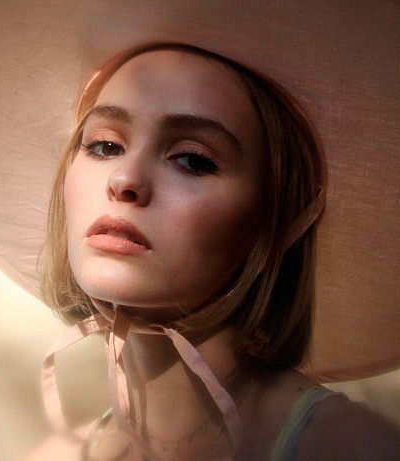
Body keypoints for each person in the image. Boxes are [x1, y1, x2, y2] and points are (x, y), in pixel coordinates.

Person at [31, 43, 400, 460]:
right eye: (104, 146)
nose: (124, 179)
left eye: (191, 160)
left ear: (282, 221)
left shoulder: (357, 449)